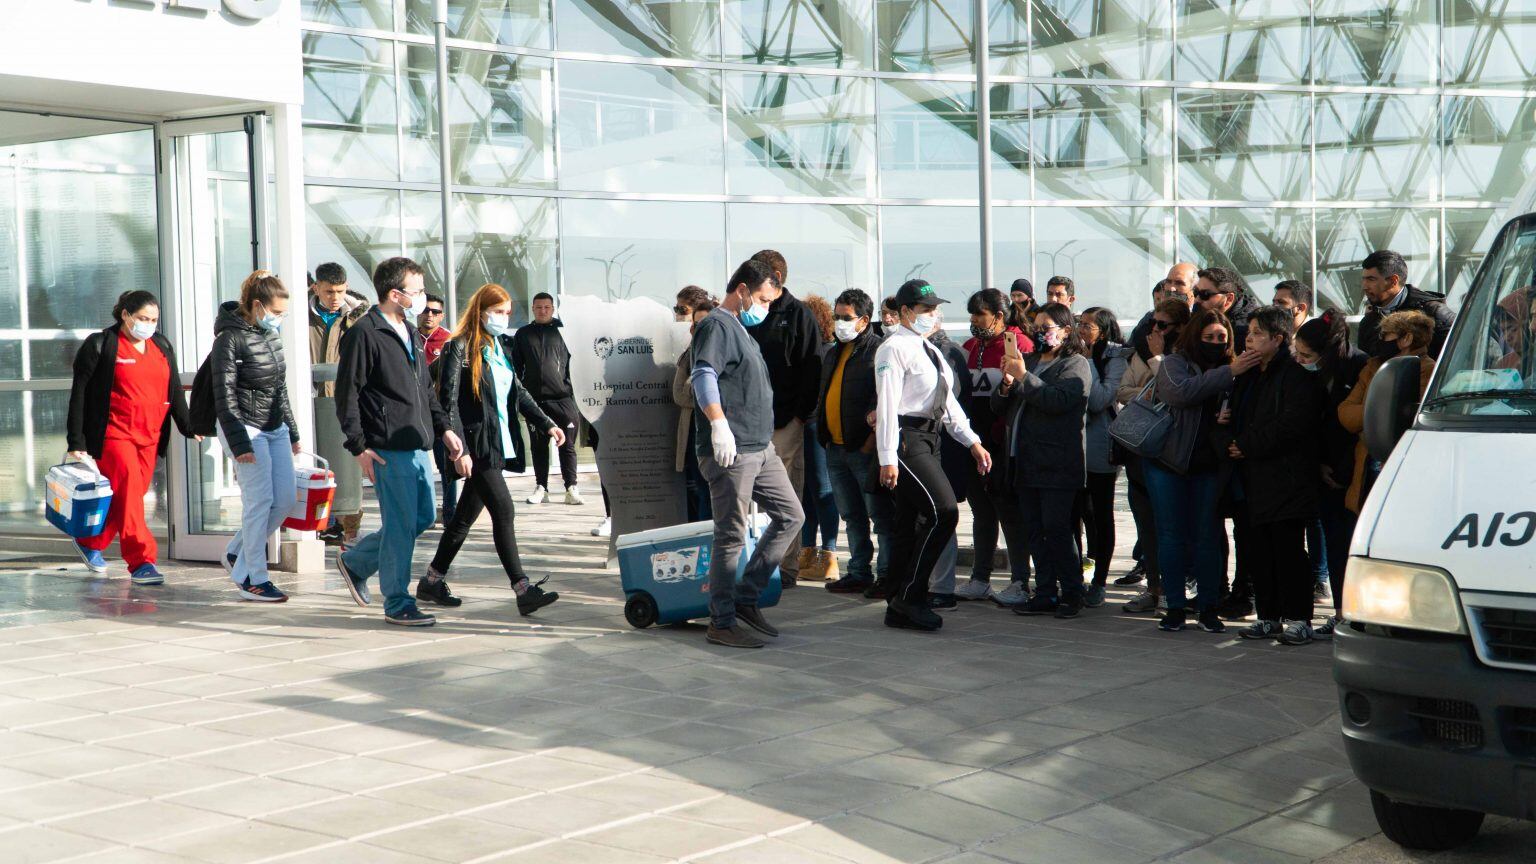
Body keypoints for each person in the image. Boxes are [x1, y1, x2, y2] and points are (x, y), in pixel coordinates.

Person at [334, 257, 467, 627]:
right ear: (395, 293)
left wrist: (445, 428)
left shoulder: (409, 330)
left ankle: (356, 562)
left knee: (422, 517)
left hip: (418, 444)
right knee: (400, 523)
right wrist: (358, 446)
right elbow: (348, 395)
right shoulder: (364, 334)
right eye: (417, 290)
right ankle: (397, 601)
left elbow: (426, 389)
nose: (423, 297)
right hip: (386, 447)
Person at [428, 284, 563, 615]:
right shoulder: (458, 347)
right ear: (481, 311)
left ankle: (431, 581)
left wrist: (547, 423)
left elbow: (518, 391)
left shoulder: (499, 346)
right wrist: (459, 450)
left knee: (462, 519)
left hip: (497, 443)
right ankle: (522, 588)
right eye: (499, 312)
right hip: (476, 446)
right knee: (504, 511)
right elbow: (448, 402)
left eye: (507, 312)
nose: (505, 318)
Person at [690, 259, 805, 648]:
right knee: (731, 535)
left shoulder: (740, 328)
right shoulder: (717, 326)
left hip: (760, 447)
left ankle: (745, 597)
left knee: (792, 515)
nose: (766, 307)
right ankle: (720, 621)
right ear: (741, 290)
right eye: (761, 299)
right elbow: (703, 375)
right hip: (732, 451)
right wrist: (718, 425)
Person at [874, 279, 991, 631]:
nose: (932, 315)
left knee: (909, 524)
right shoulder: (893, 348)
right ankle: (911, 595)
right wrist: (887, 457)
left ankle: (898, 601)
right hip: (906, 438)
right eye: (925, 309)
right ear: (906, 312)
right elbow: (888, 406)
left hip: (930, 437)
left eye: (935, 308)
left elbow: (949, 404)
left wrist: (972, 441)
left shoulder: (930, 350)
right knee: (943, 512)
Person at [66, 291, 198, 585]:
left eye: (153, 320)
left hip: (149, 437)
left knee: (129, 498)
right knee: (129, 495)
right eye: (142, 318)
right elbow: (80, 395)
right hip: (114, 435)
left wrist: (188, 425)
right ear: (125, 315)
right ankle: (141, 561)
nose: (148, 325)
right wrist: (76, 442)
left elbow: (174, 389)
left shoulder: (161, 345)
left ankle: (91, 542)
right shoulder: (101, 345)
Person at [1146, 308, 1261, 632]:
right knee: (1171, 537)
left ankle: (1209, 606)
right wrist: (1228, 374)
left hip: (1211, 466)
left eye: (1221, 338)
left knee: (1207, 536)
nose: (1214, 342)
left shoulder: (1236, 366)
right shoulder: (1174, 362)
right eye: (1208, 336)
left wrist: (1230, 412)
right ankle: (1175, 607)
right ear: (1195, 336)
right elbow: (1179, 393)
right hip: (1169, 463)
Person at [1214, 306, 1324, 644]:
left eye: (1257, 334)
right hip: (1251, 477)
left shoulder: (1294, 373)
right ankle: (1268, 617)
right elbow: (1237, 414)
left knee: (1288, 551)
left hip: (1285, 477)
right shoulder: (1248, 372)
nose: (1249, 339)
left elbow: (1291, 424)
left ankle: (1298, 618)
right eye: (1248, 333)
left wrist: (1246, 444)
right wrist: (1228, 431)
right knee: (1256, 550)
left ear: (1278, 339)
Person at [211, 271, 303, 602]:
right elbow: (224, 395)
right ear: (258, 305)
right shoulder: (229, 339)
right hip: (245, 427)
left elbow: (280, 387)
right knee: (259, 501)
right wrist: (239, 444)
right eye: (276, 312)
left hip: (273, 426)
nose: (279, 319)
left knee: (285, 500)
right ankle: (253, 576)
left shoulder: (271, 337)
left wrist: (292, 431)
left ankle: (237, 551)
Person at [996, 302, 1092, 618]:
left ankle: (1072, 591)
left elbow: (1058, 401)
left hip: (1058, 461)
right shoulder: (1033, 360)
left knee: (1058, 528)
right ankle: (1046, 590)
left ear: (1066, 331)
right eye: (1036, 327)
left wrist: (1024, 377)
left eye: (1046, 327)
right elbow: (1002, 408)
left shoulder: (1075, 364)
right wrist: (1008, 383)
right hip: (1026, 460)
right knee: (1034, 529)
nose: (1040, 332)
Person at [745, 249, 820, 588]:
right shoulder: (749, 313)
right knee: (749, 495)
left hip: (786, 420)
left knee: (786, 494)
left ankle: (784, 567)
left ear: (773, 278)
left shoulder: (798, 314)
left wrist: (802, 416)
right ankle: (751, 562)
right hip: (750, 421)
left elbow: (813, 366)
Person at [956, 289, 1035, 604]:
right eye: (972, 315)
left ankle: (1019, 580)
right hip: (973, 444)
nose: (974, 321)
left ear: (999, 316)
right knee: (981, 511)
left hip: (1003, 445)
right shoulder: (969, 347)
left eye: (980, 314)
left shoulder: (1020, 345)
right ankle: (980, 577)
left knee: (1009, 512)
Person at [1115, 298, 1192, 613]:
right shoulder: (1140, 354)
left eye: (1163, 325)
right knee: (1145, 523)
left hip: (1172, 450)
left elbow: (1175, 390)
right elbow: (1123, 390)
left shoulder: (1183, 356)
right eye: (1153, 324)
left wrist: (1157, 368)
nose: (1155, 330)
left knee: (1174, 526)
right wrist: (1153, 388)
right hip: (1139, 448)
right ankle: (1154, 587)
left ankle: (1179, 589)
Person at [1293, 310, 1367, 639]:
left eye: (1306, 355)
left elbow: (1359, 427)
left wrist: (1344, 467)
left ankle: (1357, 612)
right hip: (1321, 470)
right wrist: (1319, 464)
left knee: (1353, 544)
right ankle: (1340, 612)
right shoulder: (1310, 374)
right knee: (1335, 543)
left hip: (1355, 470)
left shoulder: (1360, 367)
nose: (1299, 360)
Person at [817, 289, 889, 595]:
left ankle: (886, 575)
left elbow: (883, 399)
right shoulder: (835, 351)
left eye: (846, 317)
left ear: (863, 320)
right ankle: (859, 571)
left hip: (864, 450)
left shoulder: (877, 350)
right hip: (836, 448)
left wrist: (870, 443)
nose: (839, 322)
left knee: (880, 516)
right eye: (837, 316)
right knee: (851, 515)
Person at [1339, 310, 1437, 514]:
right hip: (1366, 464)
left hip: (1396, 464)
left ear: (1406, 338)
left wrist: (1370, 412)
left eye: (1385, 335)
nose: (1380, 340)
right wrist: (1377, 408)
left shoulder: (1427, 370)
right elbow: (1346, 413)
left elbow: (1399, 421)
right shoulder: (1373, 367)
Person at [308, 263, 369, 546]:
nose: (335, 297)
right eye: (329, 291)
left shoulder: (359, 319)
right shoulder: (301, 319)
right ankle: (319, 525)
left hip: (347, 401)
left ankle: (348, 533)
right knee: (315, 466)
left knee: (348, 471)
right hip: (310, 402)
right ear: (316, 287)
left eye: (340, 291)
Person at [1076, 306, 1131, 607]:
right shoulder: (1075, 353)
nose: (1082, 330)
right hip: (1073, 446)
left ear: (1105, 330)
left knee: (1099, 512)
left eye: (1089, 326)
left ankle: (1099, 580)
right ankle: (1075, 574)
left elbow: (1098, 400)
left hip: (1100, 446)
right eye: (1080, 325)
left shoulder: (1116, 357)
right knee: (1075, 510)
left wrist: (1086, 362)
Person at [512, 292, 585, 507]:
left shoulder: (564, 331)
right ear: (533, 309)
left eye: (546, 307)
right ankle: (541, 488)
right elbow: (516, 366)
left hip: (563, 399)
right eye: (538, 307)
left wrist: (572, 389)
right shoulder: (523, 334)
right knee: (538, 446)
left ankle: (571, 488)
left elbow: (576, 363)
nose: (542, 310)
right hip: (535, 401)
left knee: (568, 445)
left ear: (553, 309)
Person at [925, 309, 974, 609]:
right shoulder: (914, 348)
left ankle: (942, 586)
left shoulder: (947, 352)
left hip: (944, 447)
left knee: (941, 514)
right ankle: (929, 582)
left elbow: (949, 402)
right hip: (927, 446)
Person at [797, 294, 841, 584]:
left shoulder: (824, 352)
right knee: (808, 492)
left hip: (815, 425)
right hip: (808, 423)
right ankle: (808, 551)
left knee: (821, 490)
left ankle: (829, 554)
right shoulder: (820, 351)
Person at [1357, 249, 1455, 359]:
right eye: (1364, 279)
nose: (1364, 286)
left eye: (1371, 279)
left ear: (1394, 281)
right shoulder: (1368, 322)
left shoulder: (1436, 313)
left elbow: (1453, 361)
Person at [672, 297, 717, 523]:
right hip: (692, 433)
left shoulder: (725, 350)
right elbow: (679, 394)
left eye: (707, 322)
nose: (701, 328)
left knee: (715, 496)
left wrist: (697, 387)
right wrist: (705, 392)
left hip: (719, 437)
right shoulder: (688, 354)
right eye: (697, 323)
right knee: (696, 491)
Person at [418, 293, 456, 524]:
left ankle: (450, 513)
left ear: (442, 316)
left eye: (435, 312)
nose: (429, 315)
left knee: (447, 467)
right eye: (425, 310)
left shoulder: (450, 341)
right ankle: (426, 513)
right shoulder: (408, 336)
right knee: (420, 468)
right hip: (415, 413)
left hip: (441, 413)